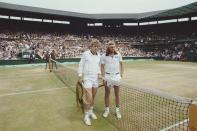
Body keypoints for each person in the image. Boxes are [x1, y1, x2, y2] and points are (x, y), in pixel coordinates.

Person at [78, 39, 102, 126]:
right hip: (87, 78)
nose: (96, 48)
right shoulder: (85, 54)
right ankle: (86, 116)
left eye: (97, 46)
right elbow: (81, 64)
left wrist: (99, 74)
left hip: (95, 79)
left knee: (93, 97)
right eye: (94, 46)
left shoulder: (99, 55)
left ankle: (91, 111)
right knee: (88, 97)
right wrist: (80, 75)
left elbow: (98, 67)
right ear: (91, 46)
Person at [101, 41, 124, 119]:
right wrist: (103, 78)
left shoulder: (118, 55)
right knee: (107, 94)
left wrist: (121, 75)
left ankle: (117, 111)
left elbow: (122, 64)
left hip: (116, 77)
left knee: (117, 94)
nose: (113, 48)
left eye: (114, 46)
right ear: (108, 47)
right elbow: (102, 67)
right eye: (111, 47)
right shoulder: (104, 56)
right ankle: (107, 110)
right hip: (107, 77)